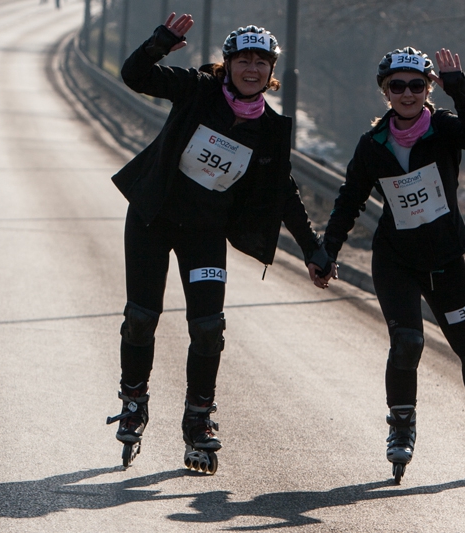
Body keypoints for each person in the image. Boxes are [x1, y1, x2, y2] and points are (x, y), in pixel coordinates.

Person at [105, 13, 332, 474]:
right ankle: (133, 400)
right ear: (227, 65)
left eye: (261, 62)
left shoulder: (269, 129)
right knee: (141, 317)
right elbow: (135, 76)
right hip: (153, 218)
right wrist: (160, 42)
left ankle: (198, 419)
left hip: (205, 233)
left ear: (271, 74)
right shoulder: (197, 90)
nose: (251, 68)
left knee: (208, 327)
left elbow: (283, 191)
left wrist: (313, 249)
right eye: (243, 60)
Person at [314, 47, 465, 482]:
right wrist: (329, 250)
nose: (406, 93)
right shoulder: (373, 145)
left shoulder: (443, 129)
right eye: (396, 86)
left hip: (445, 260)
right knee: (408, 343)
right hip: (396, 261)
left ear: (427, 89)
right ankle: (401, 430)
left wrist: (458, 87)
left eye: (416, 85)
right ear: (385, 91)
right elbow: (349, 201)